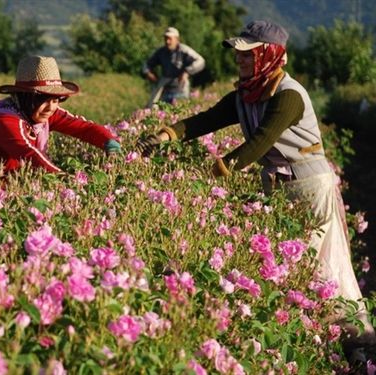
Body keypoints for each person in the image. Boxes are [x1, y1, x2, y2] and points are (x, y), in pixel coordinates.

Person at [136, 20, 375, 344]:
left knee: (316, 264)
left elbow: (258, 143)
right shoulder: (247, 94)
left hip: (308, 185)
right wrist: (165, 134)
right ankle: (315, 335)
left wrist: (206, 176)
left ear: (269, 55)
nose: (240, 60)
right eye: (239, 54)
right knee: (293, 263)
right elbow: (207, 119)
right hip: (279, 184)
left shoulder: (288, 95)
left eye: (248, 55)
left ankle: (351, 341)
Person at [0, 55, 121, 192]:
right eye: (43, 98)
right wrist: (67, 181)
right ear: (24, 97)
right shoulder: (3, 121)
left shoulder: (41, 113)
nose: (51, 106)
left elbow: (83, 127)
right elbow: (29, 155)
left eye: (58, 99)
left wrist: (109, 142)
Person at [143, 27, 205, 107]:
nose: (167, 42)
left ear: (176, 39)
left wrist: (187, 72)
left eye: (169, 39)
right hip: (164, 89)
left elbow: (200, 61)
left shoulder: (184, 50)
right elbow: (146, 64)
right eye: (165, 39)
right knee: (156, 109)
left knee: (180, 112)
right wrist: (148, 73)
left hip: (180, 89)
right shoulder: (161, 52)